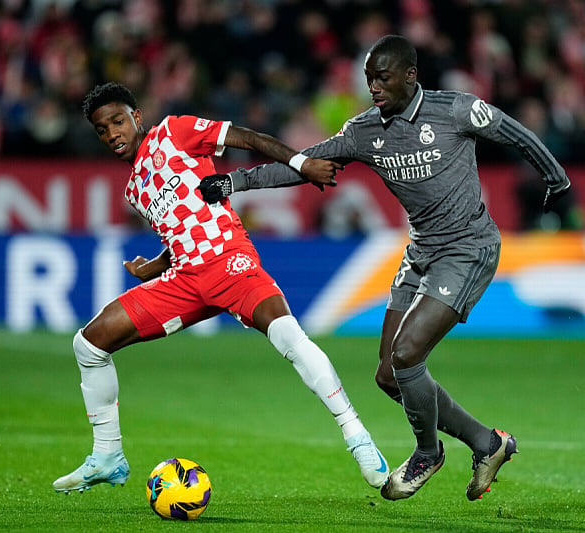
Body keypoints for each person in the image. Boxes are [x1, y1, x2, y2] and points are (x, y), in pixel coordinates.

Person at [199, 35, 571, 501]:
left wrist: (557, 180)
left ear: (410, 75)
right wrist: (236, 181)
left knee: (408, 353)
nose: (373, 86)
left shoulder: (454, 110)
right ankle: (487, 442)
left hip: (468, 248)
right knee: (390, 375)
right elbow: (305, 164)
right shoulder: (363, 131)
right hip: (420, 252)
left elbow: (514, 132)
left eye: (383, 77)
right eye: (369, 79)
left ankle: (427, 452)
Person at [52, 82, 389, 493]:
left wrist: (302, 164)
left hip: (229, 261)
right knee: (88, 344)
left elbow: (249, 138)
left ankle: (358, 437)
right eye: (102, 130)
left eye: (118, 121)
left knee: (287, 335)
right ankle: (107, 455)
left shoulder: (175, 132)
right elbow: (181, 232)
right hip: (185, 280)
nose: (112, 134)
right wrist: (154, 266)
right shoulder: (134, 189)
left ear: (137, 117)